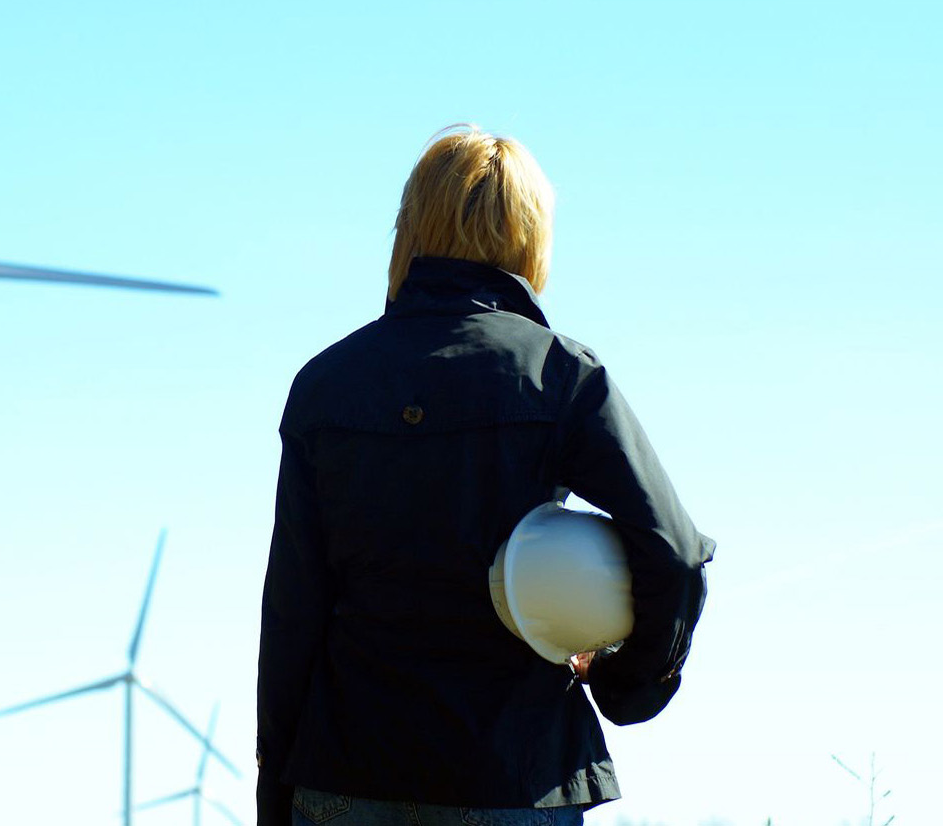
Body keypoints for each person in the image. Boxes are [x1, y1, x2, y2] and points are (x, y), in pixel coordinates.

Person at [256, 126, 715, 826]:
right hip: (513, 778)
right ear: (528, 235)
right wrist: (625, 686)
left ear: (410, 227)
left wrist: (277, 797)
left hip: (344, 776)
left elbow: (293, 613)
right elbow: (675, 553)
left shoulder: (324, 385)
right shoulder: (560, 376)